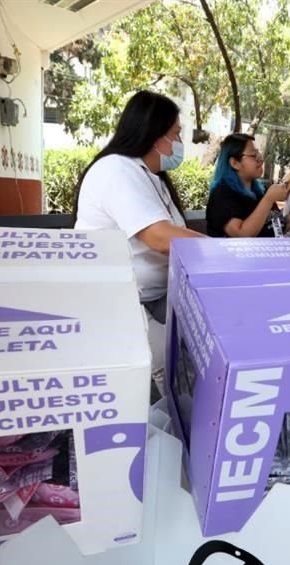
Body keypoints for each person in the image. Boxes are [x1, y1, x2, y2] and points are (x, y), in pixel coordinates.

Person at [73, 90, 206, 393]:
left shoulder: (151, 177)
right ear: (155, 135)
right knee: (166, 368)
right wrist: (220, 250)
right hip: (117, 301)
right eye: (176, 134)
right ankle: (170, 422)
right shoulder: (117, 169)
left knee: (197, 351)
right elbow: (160, 237)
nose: (179, 144)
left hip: (155, 297)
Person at [206, 133, 289, 238]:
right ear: (235, 163)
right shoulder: (222, 194)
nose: (260, 159)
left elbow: (279, 227)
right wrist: (269, 199)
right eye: (253, 155)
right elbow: (241, 234)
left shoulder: (261, 191)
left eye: (258, 153)